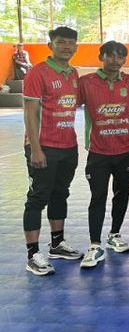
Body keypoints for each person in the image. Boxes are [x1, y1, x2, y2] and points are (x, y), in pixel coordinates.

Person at [22, 26, 83, 275]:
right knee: (38, 198)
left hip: (68, 146)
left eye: (71, 43)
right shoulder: (37, 72)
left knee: (60, 194)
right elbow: (30, 113)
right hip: (44, 147)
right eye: (61, 42)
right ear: (51, 45)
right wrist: (35, 149)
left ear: (76, 46)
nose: (66, 47)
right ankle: (32, 255)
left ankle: (57, 244)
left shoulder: (73, 73)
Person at [78, 41, 129, 269]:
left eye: (120, 56)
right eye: (110, 55)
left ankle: (114, 235)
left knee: (122, 194)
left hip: (126, 150)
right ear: (101, 57)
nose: (115, 60)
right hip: (98, 152)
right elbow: (63, 106)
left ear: (125, 60)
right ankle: (94, 245)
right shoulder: (86, 82)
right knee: (98, 196)